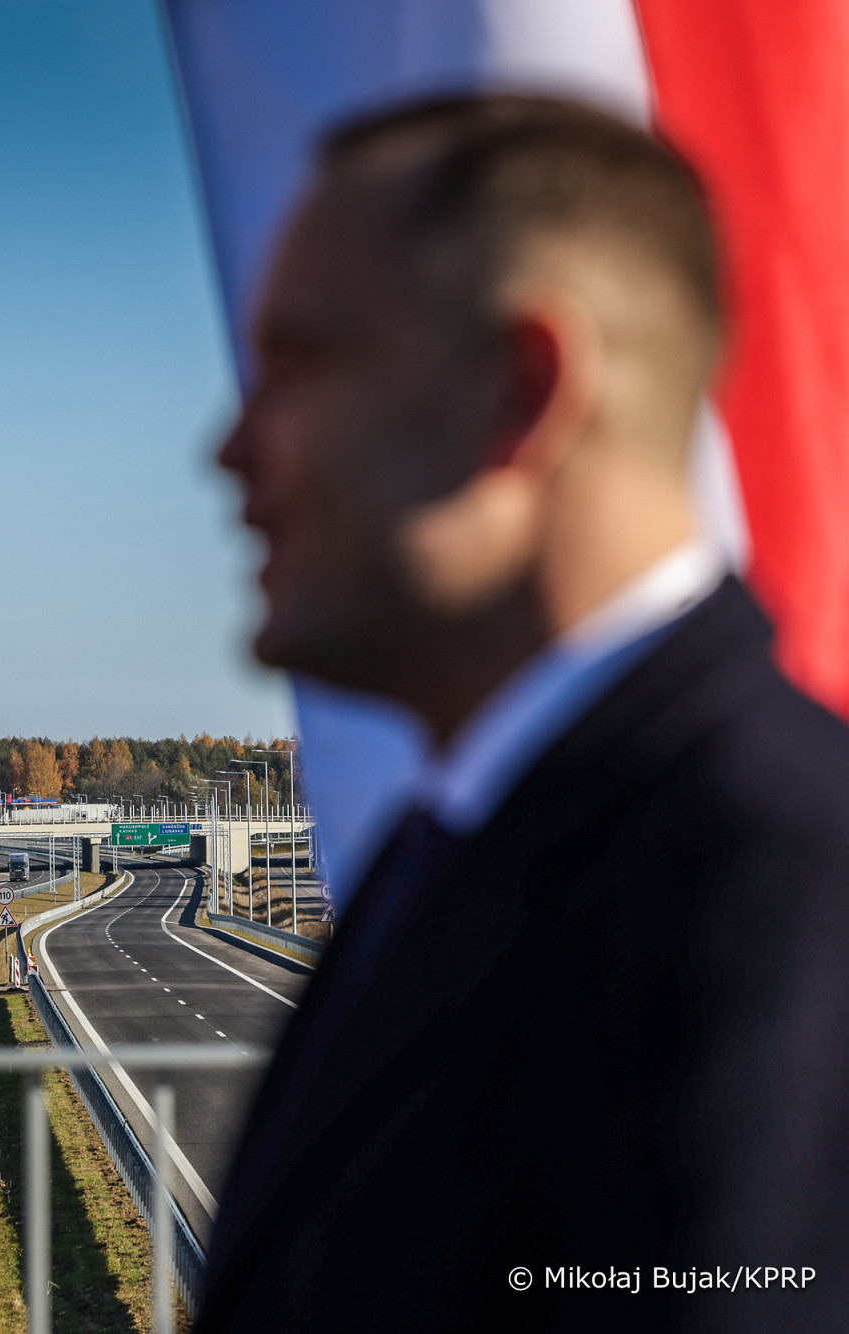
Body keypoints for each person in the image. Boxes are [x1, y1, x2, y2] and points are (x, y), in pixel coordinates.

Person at [205, 94, 849, 1331]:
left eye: (298, 361)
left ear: (521, 385)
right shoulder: (477, 831)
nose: (231, 449)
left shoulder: (773, 879)